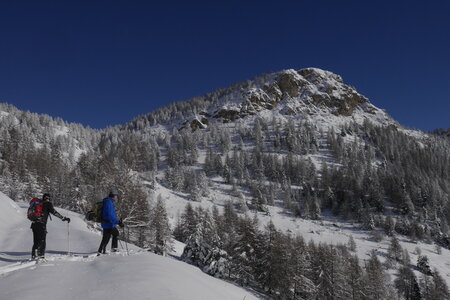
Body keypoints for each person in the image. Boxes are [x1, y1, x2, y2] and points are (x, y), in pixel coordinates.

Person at [30, 193, 71, 260]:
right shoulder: (47, 204)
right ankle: (41, 257)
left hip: (34, 224)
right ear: (48, 198)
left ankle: (34, 256)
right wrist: (63, 218)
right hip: (41, 224)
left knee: (36, 241)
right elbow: (54, 212)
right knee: (42, 241)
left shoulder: (39, 203)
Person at [97, 189, 124, 255]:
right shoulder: (109, 203)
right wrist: (118, 222)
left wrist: (117, 221)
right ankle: (113, 249)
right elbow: (110, 216)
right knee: (115, 234)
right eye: (116, 196)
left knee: (106, 237)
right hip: (109, 223)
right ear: (114, 196)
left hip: (106, 223)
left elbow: (111, 215)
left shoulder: (108, 201)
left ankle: (100, 251)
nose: (117, 197)